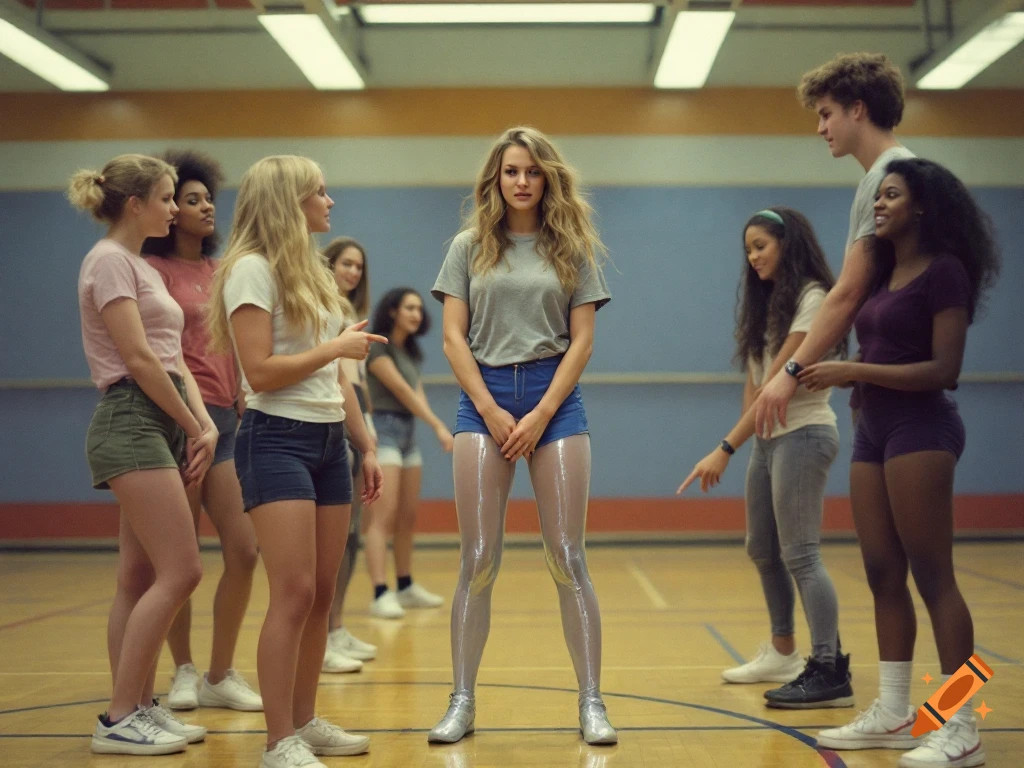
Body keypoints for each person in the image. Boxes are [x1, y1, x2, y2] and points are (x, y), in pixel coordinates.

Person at [802, 158, 999, 767]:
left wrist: (851, 369)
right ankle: (894, 713)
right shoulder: (885, 271)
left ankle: (961, 722)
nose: (879, 204)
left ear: (922, 207)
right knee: (882, 572)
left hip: (922, 425)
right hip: (874, 428)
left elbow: (946, 372)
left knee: (934, 576)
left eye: (891, 195)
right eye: (877, 195)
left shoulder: (946, 273)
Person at [429, 126, 616, 745]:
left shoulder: (571, 247)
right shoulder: (468, 246)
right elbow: (453, 337)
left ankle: (591, 701)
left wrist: (539, 413)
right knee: (478, 560)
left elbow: (582, 339)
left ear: (547, 178)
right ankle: (462, 700)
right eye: (511, 171)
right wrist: (489, 408)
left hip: (554, 402)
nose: (522, 181)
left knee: (567, 557)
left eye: (532, 172)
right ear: (496, 178)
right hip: (482, 401)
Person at [207, 155, 386, 767]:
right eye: (320, 191)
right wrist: (336, 345)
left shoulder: (309, 270)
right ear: (290, 201)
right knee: (292, 590)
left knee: (322, 592)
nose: (330, 201)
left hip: (328, 442)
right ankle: (277, 740)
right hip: (274, 438)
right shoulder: (250, 270)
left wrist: (364, 444)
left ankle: (305, 721)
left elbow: (338, 376)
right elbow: (259, 371)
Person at [679, 207, 852, 708]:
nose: (752, 257)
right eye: (748, 249)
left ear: (787, 244)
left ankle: (829, 666)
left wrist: (724, 448)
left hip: (804, 433)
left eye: (761, 246)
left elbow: (781, 380)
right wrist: (744, 443)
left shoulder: (814, 298)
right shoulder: (766, 303)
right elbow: (754, 385)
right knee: (761, 547)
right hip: (768, 439)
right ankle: (782, 650)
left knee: (802, 554)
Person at [70, 153, 211, 755]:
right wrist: (187, 422)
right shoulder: (106, 263)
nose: (175, 208)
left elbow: (174, 358)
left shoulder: (141, 266)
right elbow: (139, 359)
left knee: (138, 574)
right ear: (135, 204)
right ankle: (119, 715)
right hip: (130, 420)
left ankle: (141, 705)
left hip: (163, 420)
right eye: (167, 197)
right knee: (183, 569)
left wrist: (202, 426)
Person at [143, 149, 262, 711]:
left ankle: (220, 671)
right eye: (190, 200)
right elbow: (163, 352)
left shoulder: (222, 271)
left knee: (243, 549)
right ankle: (183, 669)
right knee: (181, 558)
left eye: (206, 198)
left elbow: (239, 338)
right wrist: (191, 419)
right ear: (170, 213)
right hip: (179, 421)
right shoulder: (154, 271)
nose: (204, 206)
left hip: (228, 423)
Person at [755, 52, 914, 438]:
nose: (820, 127)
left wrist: (790, 371)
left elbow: (848, 292)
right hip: (882, 367)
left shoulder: (886, 177)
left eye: (826, 114)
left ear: (857, 109)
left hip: (900, 385)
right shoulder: (899, 171)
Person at [363, 286, 453, 619]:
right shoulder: (378, 349)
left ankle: (404, 584)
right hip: (382, 432)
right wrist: (438, 425)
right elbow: (401, 391)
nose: (416, 313)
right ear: (392, 311)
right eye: (409, 308)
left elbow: (417, 394)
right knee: (381, 518)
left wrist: (431, 424)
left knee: (407, 516)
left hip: (407, 435)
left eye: (419, 308)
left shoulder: (410, 353)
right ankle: (379, 591)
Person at [321, 237, 378, 670]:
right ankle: (321, 633)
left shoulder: (353, 314)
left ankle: (336, 625)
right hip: (331, 419)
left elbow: (355, 380)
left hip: (356, 414)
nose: (353, 272)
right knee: (334, 537)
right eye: (346, 263)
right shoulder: (324, 308)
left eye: (359, 266)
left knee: (353, 532)